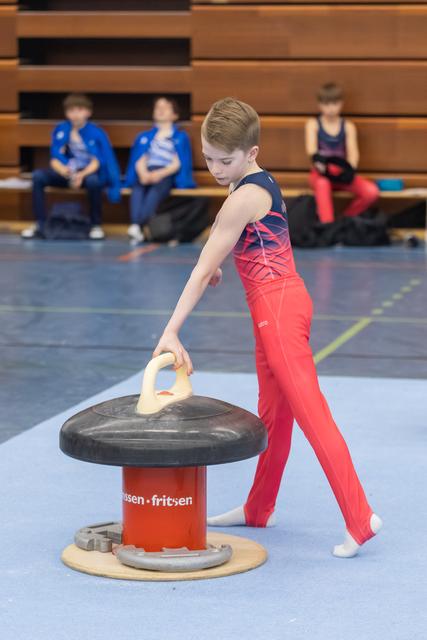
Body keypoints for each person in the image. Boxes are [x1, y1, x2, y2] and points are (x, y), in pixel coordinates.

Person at [152, 97, 382, 558]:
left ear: (251, 152)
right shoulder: (253, 183)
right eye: (208, 159)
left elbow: (200, 269)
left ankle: (360, 517)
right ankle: (259, 507)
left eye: (225, 160)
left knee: (312, 414)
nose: (216, 169)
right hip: (275, 305)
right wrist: (227, 264)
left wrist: (170, 331)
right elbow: (253, 243)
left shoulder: (242, 197)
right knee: (273, 417)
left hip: (277, 310)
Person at [21, 93, 121, 240]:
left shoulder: (96, 133)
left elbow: (98, 161)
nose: (75, 114)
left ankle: (95, 225)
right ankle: (40, 223)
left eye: (79, 110)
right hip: (67, 171)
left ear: (88, 112)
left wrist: (81, 175)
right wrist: (65, 171)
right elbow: (55, 159)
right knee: (38, 176)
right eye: (71, 110)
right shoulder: (61, 130)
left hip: (86, 173)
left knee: (94, 182)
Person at [305, 83, 379, 224]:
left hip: (340, 173)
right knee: (322, 184)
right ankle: (328, 225)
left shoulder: (348, 126)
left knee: (371, 192)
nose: (331, 108)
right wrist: (320, 164)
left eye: (334, 103)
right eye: (326, 104)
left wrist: (350, 170)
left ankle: (344, 221)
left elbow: (353, 154)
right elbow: (312, 150)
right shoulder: (313, 124)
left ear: (341, 104)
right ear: (320, 105)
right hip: (321, 173)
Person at [125, 97, 195, 244]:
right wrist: (143, 173)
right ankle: (137, 225)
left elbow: (178, 163)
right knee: (138, 187)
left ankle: (138, 225)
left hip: (165, 173)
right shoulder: (144, 137)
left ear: (174, 115)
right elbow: (139, 158)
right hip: (146, 171)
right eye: (158, 107)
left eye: (166, 107)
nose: (161, 110)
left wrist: (160, 174)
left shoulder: (180, 137)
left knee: (155, 191)